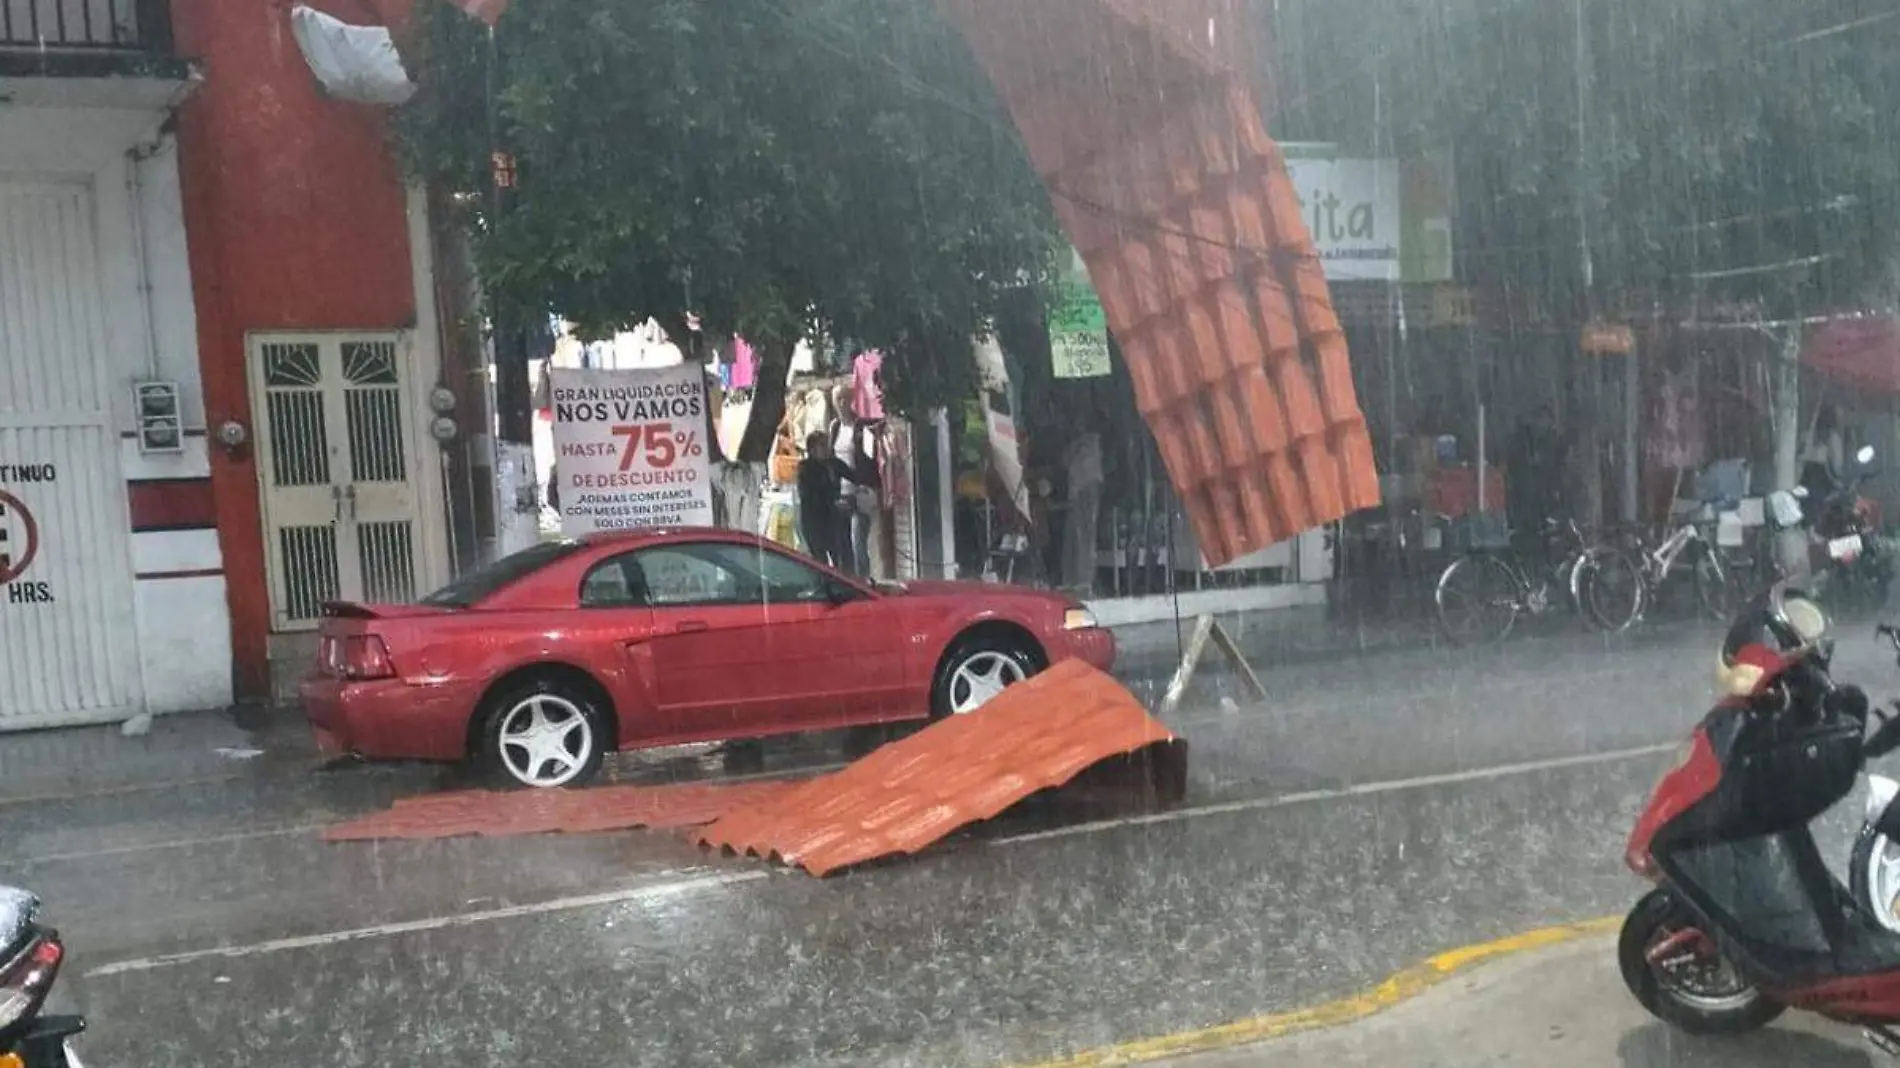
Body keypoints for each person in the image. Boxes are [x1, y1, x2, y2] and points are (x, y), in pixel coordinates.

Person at [797, 431, 855, 572]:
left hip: (833, 521)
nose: (827, 448)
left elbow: (853, 475)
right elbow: (809, 494)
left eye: (827, 444)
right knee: (819, 563)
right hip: (814, 522)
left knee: (841, 559)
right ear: (812, 450)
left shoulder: (834, 464)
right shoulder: (806, 468)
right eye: (822, 445)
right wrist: (833, 502)